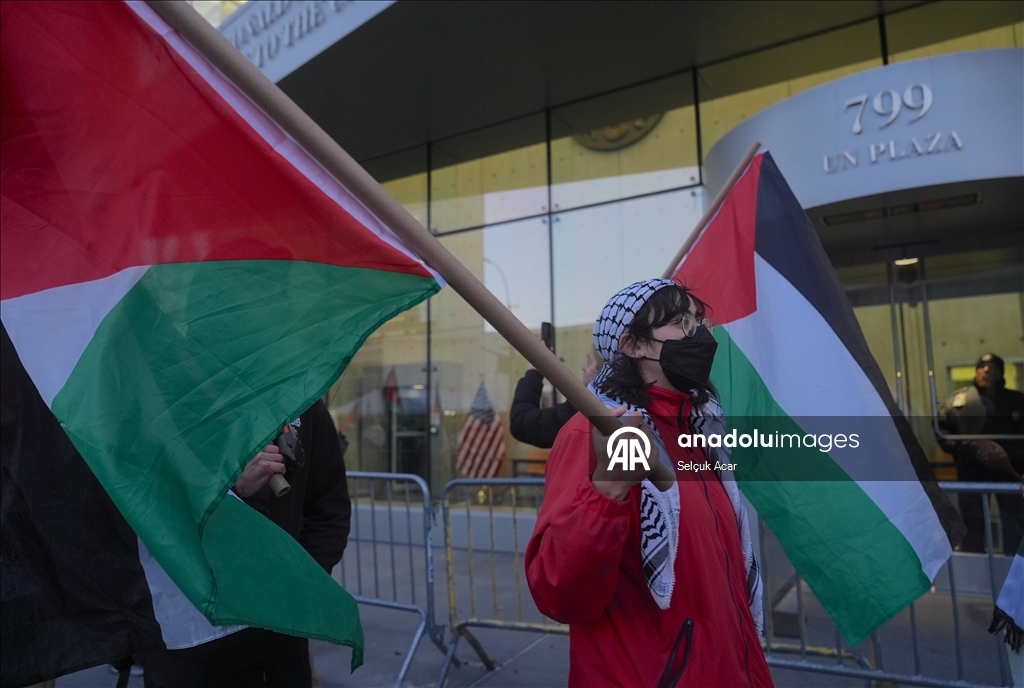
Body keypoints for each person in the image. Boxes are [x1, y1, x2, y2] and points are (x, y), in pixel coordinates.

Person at [525, 279, 772, 688]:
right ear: (634, 345)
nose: (699, 333)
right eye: (681, 322)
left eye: (699, 320)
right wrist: (606, 492)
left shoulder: (699, 435)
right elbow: (559, 592)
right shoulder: (594, 434)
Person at [135, 400, 351, 688]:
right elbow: (148, 510)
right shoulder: (167, 398)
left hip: (282, 636)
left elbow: (329, 507)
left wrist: (306, 586)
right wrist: (233, 493)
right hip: (192, 641)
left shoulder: (302, 401)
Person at [938, 353, 1024, 555]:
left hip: (1010, 469)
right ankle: (974, 567)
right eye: (981, 368)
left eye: (992, 368)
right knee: (972, 523)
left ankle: (1014, 568)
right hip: (971, 470)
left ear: (1001, 372)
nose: (986, 372)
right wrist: (960, 448)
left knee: (1014, 522)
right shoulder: (957, 402)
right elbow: (942, 428)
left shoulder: (1017, 401)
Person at [510, 351, 600, 448]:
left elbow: (521, 423)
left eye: (589, 361)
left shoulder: (586, 410)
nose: (583, 367)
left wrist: (534, 371)